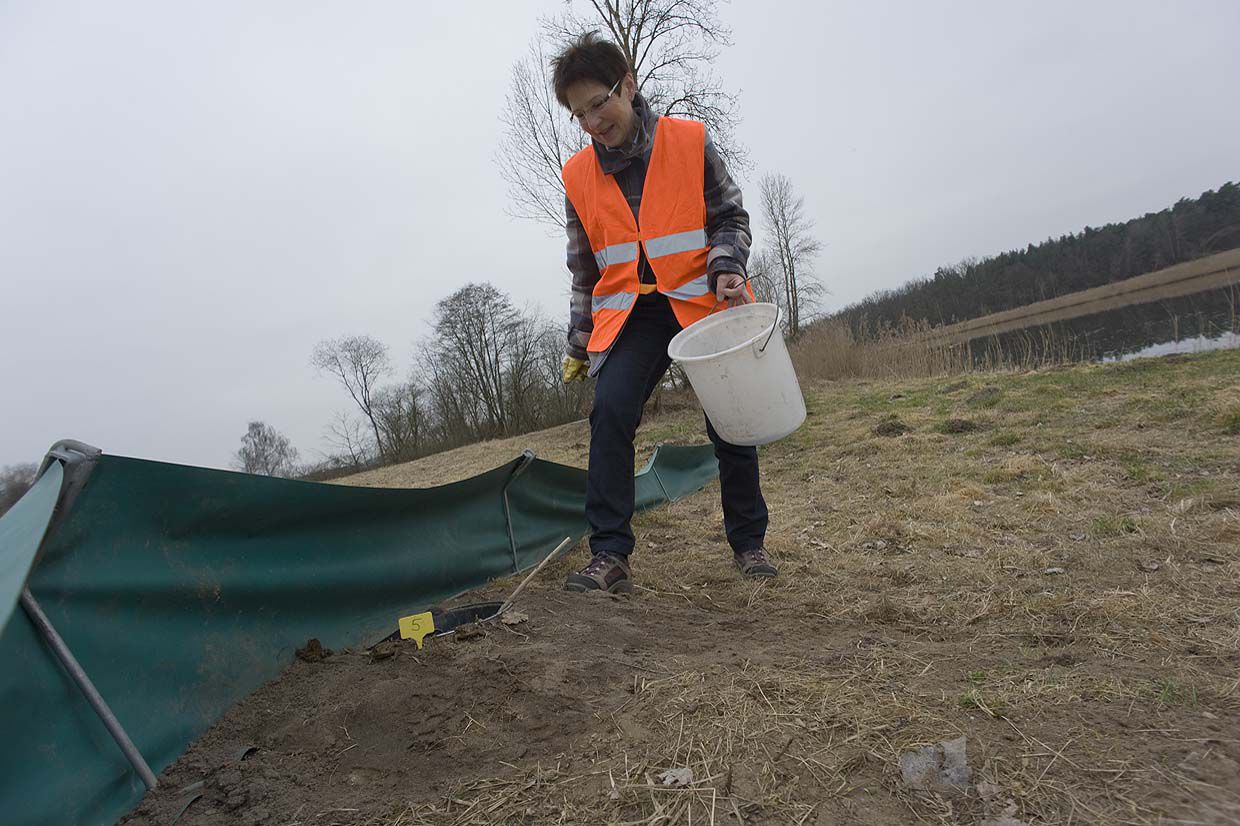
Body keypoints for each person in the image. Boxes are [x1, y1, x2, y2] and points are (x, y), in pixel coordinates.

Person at [551, 32, 776, 595]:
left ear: (626, 86)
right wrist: (580, 342)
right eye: (579, 115)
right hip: (633, 313)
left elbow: (731, 216)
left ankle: (749, 544)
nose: (592, 123)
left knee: (730, 419)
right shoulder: (578, 176)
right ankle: (609, 555)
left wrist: (727, 263)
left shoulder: (688, 141)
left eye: (598, 105)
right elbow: (585, 269)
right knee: (610, 413)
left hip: (701, 297)